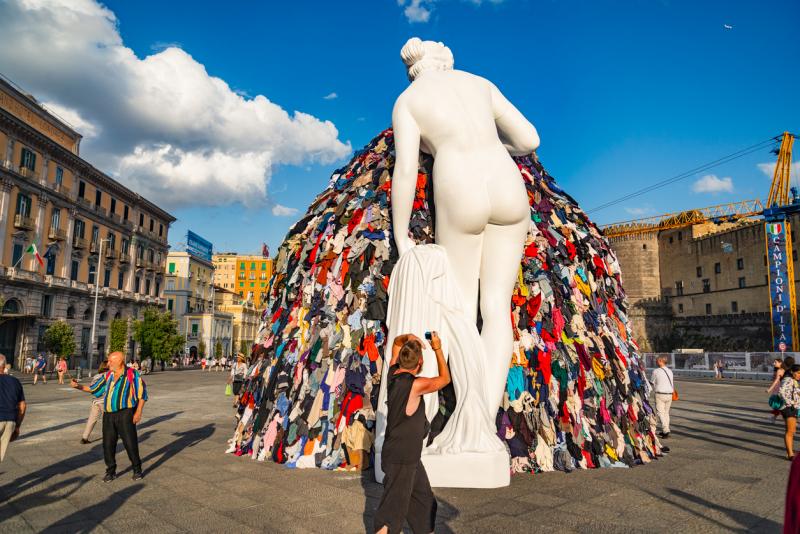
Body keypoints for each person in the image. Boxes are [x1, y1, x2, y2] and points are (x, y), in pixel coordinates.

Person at [374, 332, 450, 534]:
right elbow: (445, 379)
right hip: (401, 459)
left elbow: (396, 344)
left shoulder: (392, 374)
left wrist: (407, 337)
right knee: (391, 514)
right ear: (420, 362)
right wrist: (437, 348)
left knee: (424, 503)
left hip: (409, 458)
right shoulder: (415, 385)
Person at [71, 351, 147, 481]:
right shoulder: (108, 375)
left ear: (120, 362)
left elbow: (142, 394)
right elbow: (94, 389)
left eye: (111, 361)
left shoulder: (132, 374)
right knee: (108, 444)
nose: (108, 363)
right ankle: (110, 470)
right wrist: (78, 386)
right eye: (108, 360)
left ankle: (137, 468)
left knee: (130, 443)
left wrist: (138, 412)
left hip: (125, 413)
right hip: (108, 414)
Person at [0, 354, 26, 462]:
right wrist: (17, 426)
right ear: (4, 365)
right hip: (10, 421)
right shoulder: (15, 381)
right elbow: (23, 406)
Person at [80, 359, 108, 444]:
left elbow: (92, 387)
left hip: (96, 401)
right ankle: (108, 437)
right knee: (107, 420)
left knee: (92, 419)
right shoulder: (108, 375)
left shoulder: (97, 376)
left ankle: (85, 437)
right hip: (104, 400)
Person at [779, 365, 800, 460]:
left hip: (793, 407)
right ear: (792, 371)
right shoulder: (788, 380)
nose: (799, 375)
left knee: (791, 430)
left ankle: (790, 453)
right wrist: (790, 403)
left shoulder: (794, 380)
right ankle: (790, 454)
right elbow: (781, 392)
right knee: (790, 431)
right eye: (798, 373)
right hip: (789, 408)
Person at [650, 356, 674, 439]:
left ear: (661, 361)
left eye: (657, 361)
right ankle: (666, 429)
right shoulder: (670, 371)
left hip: (660, 394)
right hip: (669, 394)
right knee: (666, 413)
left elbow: (651, 382)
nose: (656, 362)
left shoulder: (656, 371)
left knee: (660, 413)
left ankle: (666, 430)